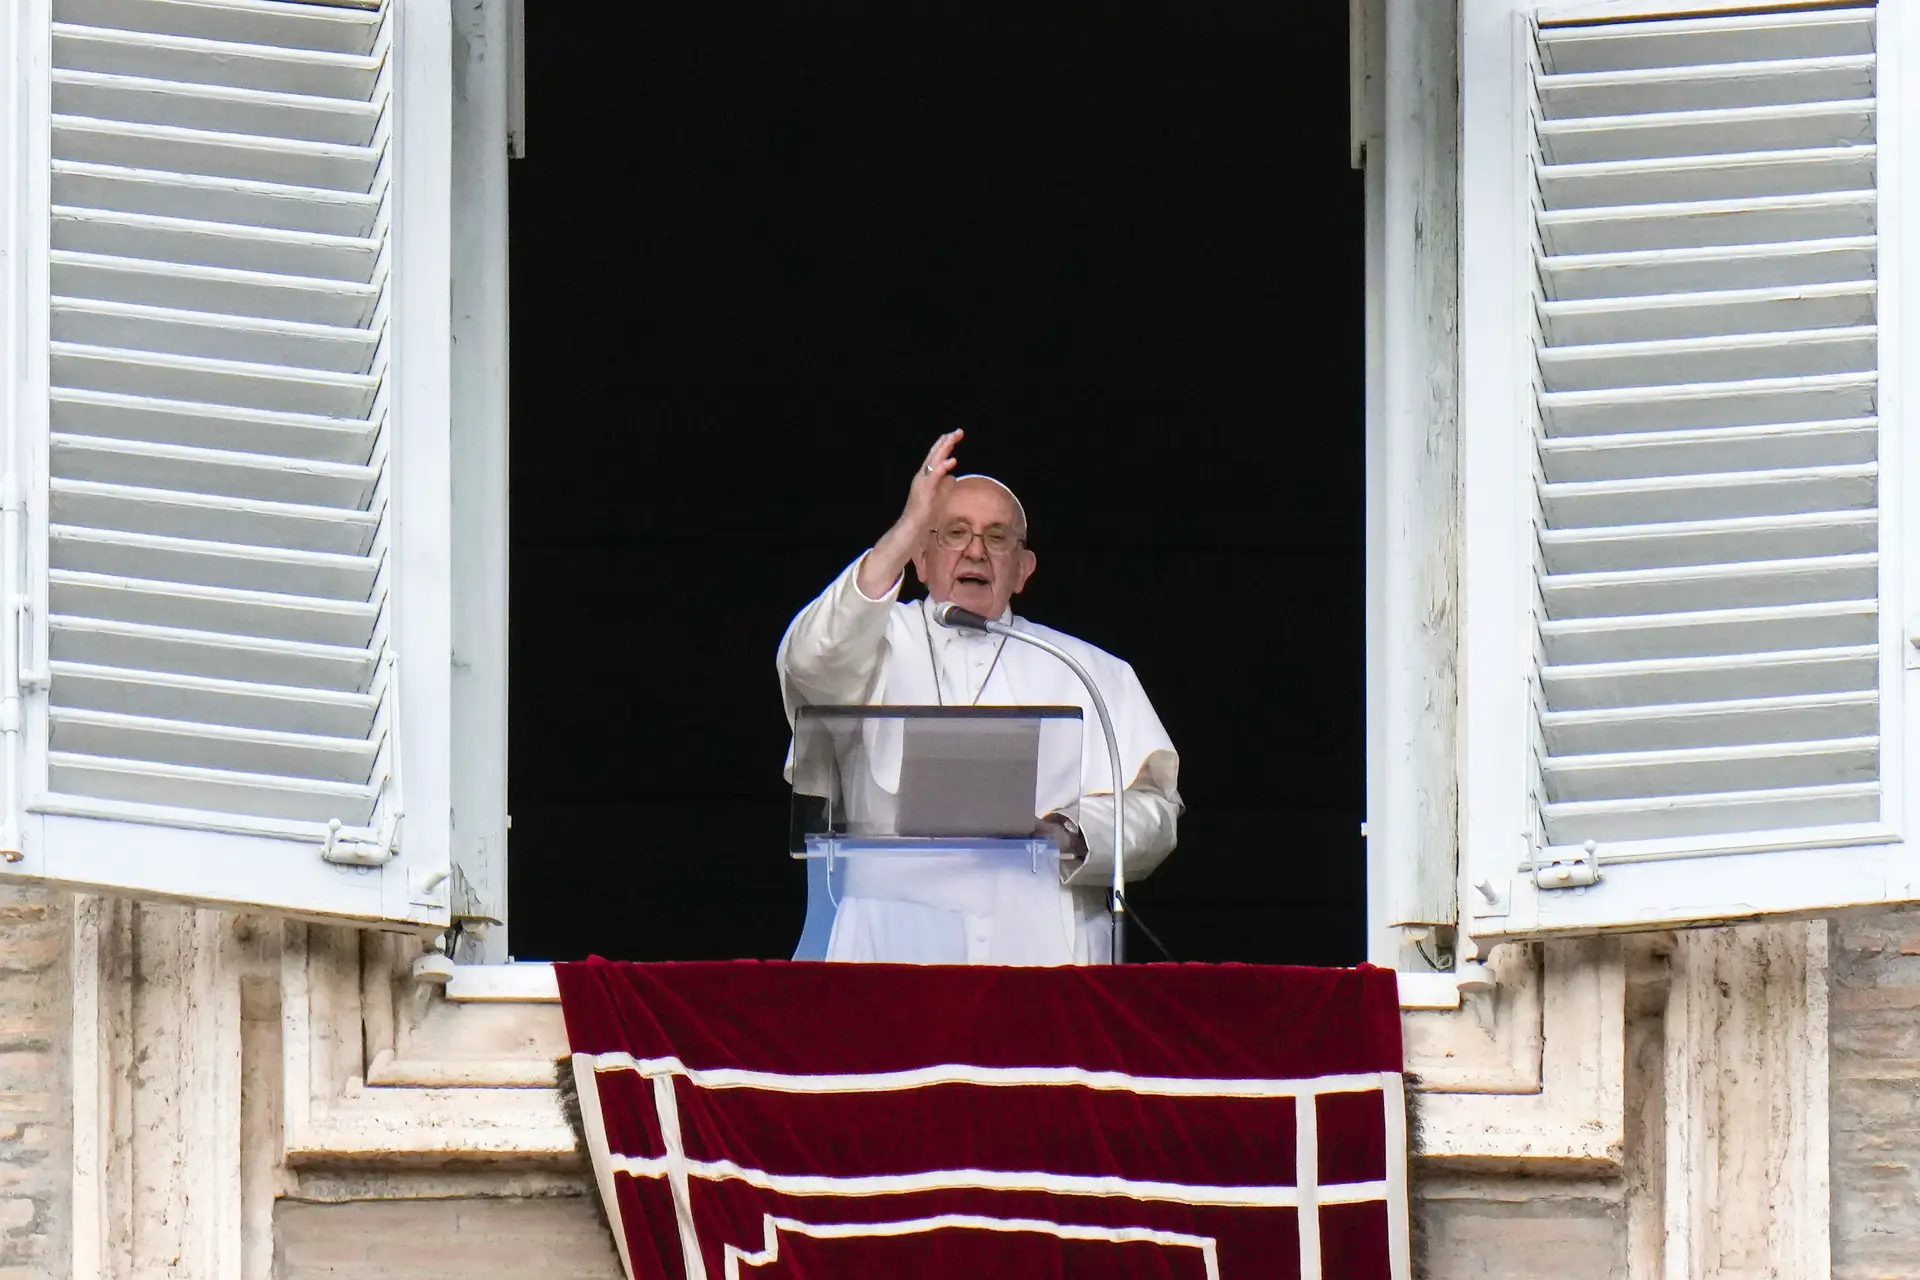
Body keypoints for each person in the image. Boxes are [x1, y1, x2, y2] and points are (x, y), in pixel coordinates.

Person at [777, 429, 1182, 964]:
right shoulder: (874, 642)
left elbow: (1156, 811)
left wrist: (1068, 833)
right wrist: (907, 526)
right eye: (953, 533)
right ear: (920, 559)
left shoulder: (1087, 669)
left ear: (1023, 570)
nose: (975, 549)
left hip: (1040, 948)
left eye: (997, 538)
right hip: (891, 942)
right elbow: (809, 659)